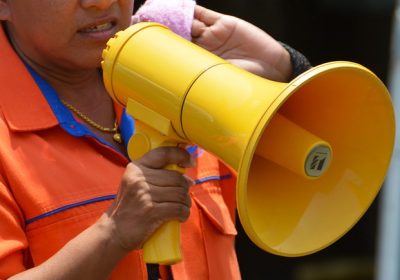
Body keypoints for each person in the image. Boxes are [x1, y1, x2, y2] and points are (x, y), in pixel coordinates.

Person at [0, 0, 311, 279]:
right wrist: (111, 234)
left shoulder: (182, 72)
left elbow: (321, 172)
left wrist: (282, 66)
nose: (101, 2)